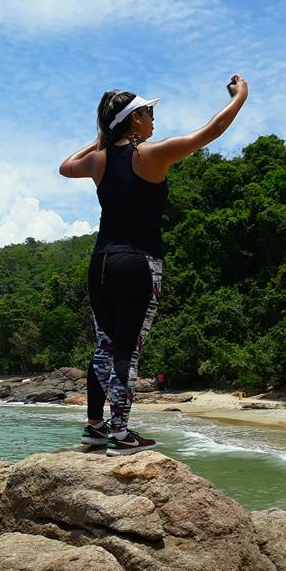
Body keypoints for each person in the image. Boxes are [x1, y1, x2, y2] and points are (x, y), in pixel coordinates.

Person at [59, 76, 249, 456]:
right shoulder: (152, 155)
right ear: (134, 121)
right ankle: (121, 434)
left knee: (104, 347)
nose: (153, 118)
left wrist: (104, 137)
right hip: (138, 263)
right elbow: (213, 129)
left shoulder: (98, 161)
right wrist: (241, 97)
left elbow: (66, 166)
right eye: (148, 112)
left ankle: (95, 428)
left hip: (101, 262)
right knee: (126, 351)